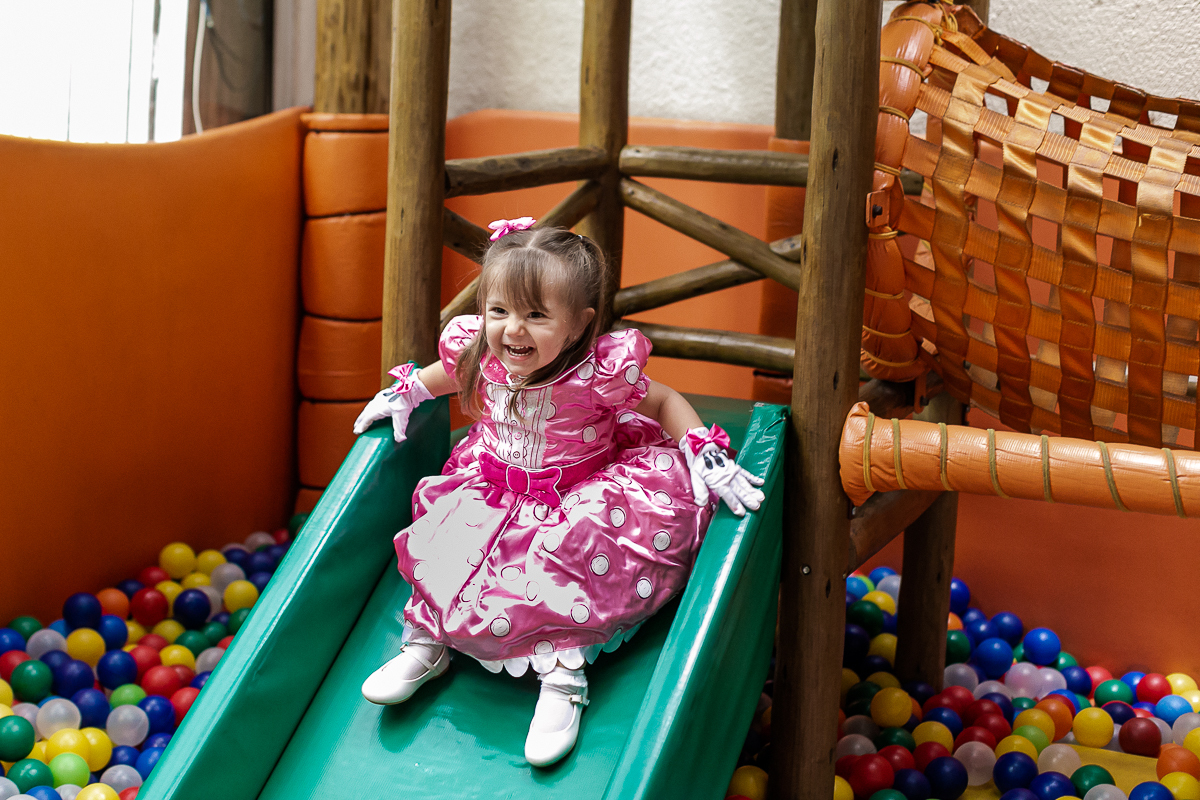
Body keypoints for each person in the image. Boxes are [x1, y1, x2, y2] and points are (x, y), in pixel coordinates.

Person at [351, 217, 765, 767]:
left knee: (569, 560)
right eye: (499, 310)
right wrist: (406, 394)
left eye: (536, 315)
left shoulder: (595, 372)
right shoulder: (482, 351)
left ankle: (562, 672)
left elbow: (663, 401)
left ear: (578, 325)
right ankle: (428, 645)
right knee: (448, 546)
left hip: (577, 490)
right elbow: (448, 375)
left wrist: (702, 450)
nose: (513, 330)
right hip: (492, 486)